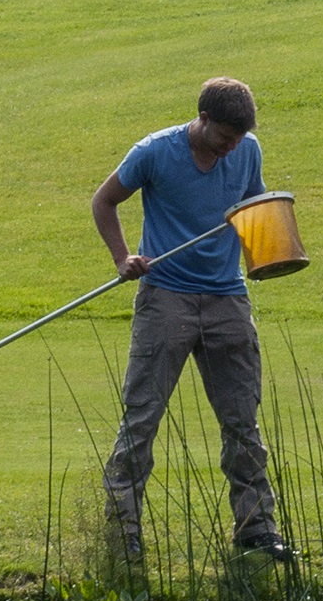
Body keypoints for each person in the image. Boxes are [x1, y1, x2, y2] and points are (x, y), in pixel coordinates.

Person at [91, 76, 294, 564]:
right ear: (202, 120)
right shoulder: (154, 152)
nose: (231, 148)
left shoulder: (247, 151)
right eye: (224, 137)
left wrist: (269, 254)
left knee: (242, 421)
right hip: (166, 298)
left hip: (227, 298)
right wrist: (124, 258)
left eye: (239, 139)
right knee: (142, 418)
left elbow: (254, 210)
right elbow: (103, 202)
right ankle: (124, 531)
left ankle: (256, 529)